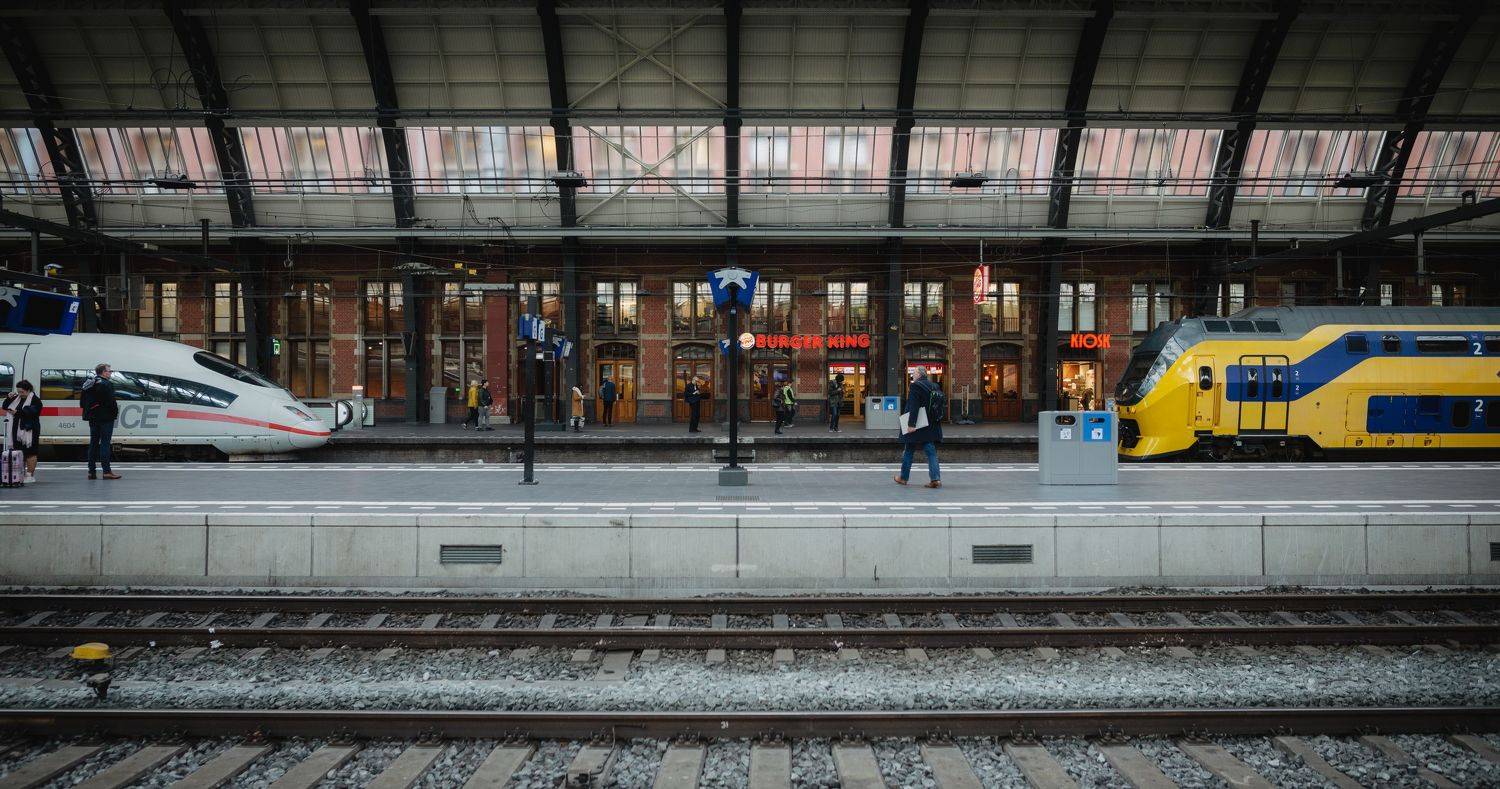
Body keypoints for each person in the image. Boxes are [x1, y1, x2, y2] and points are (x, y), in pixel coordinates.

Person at [894, 366, 942, 489]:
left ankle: (903, 478)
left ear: (919, 374)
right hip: (930, 424)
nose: (912, 375)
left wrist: (911, 425)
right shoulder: (934, 386)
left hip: (918, 424)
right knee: (931, 451)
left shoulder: (915, 386)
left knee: (909, 450)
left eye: (914, 373)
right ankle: (935, 479)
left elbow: (913, 406)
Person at [80, 363, 120, 480]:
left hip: (92, 418)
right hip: (106, 418)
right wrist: (114, 414)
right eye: (109, 371)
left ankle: (91, 472)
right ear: (103, 372)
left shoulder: (88, 383)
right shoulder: (107, 384)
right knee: (105, 444)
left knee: (93, 443)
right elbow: (111, 402)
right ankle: (106, 472)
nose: (110, 373)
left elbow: (82, 403)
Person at [1, 380, 43, 483]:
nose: (20, 394)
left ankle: (30, 475)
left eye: (22, 392)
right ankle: (20, 474)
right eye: (18, 391)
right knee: (19, 452)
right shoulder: (16, 398)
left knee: (30, 452)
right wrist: (9, 397)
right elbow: (5, 406)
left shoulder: (35, 400)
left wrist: (17, 412)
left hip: (30, 430)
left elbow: (32, 412)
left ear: (28, 390)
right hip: (16, 431)